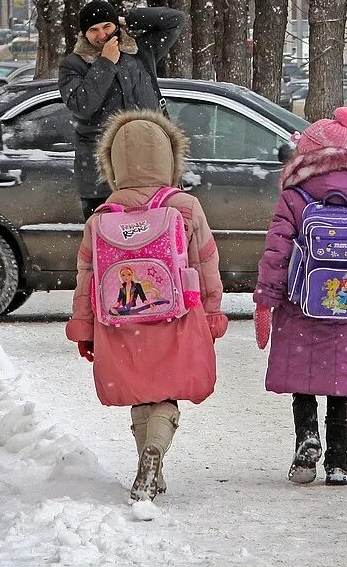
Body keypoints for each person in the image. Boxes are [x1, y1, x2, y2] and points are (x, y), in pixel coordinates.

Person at [65, 109, 227, 502]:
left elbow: (87, 275)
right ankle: (155, 453)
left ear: (114, 163)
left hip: (121, 321)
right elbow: (206, 262)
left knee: (140, 392)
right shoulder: (185, 206)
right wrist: (212, 314)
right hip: (177, 314)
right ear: (169, 158)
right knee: (166, 393)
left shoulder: (103, 214)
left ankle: (146, 463)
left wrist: (83, 325)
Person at [252, 107, 347, 486]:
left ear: (310, 155)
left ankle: (306, 442)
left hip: (301, 304)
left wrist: (266, 300)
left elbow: (276, 253)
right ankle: (338, 463)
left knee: (303, 380)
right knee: (338, 389)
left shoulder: (294, 198)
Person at [59, 1, 185, 220]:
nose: (102, 35)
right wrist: (106, 62)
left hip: (151, 169)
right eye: (93, 30)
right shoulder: (73, 65)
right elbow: (82, 106)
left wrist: (130, 19)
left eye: (107, 26)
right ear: (84, 34)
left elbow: (176, 20)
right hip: (102, 179)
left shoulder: (141, 51)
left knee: (155, 241)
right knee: (110, 246)